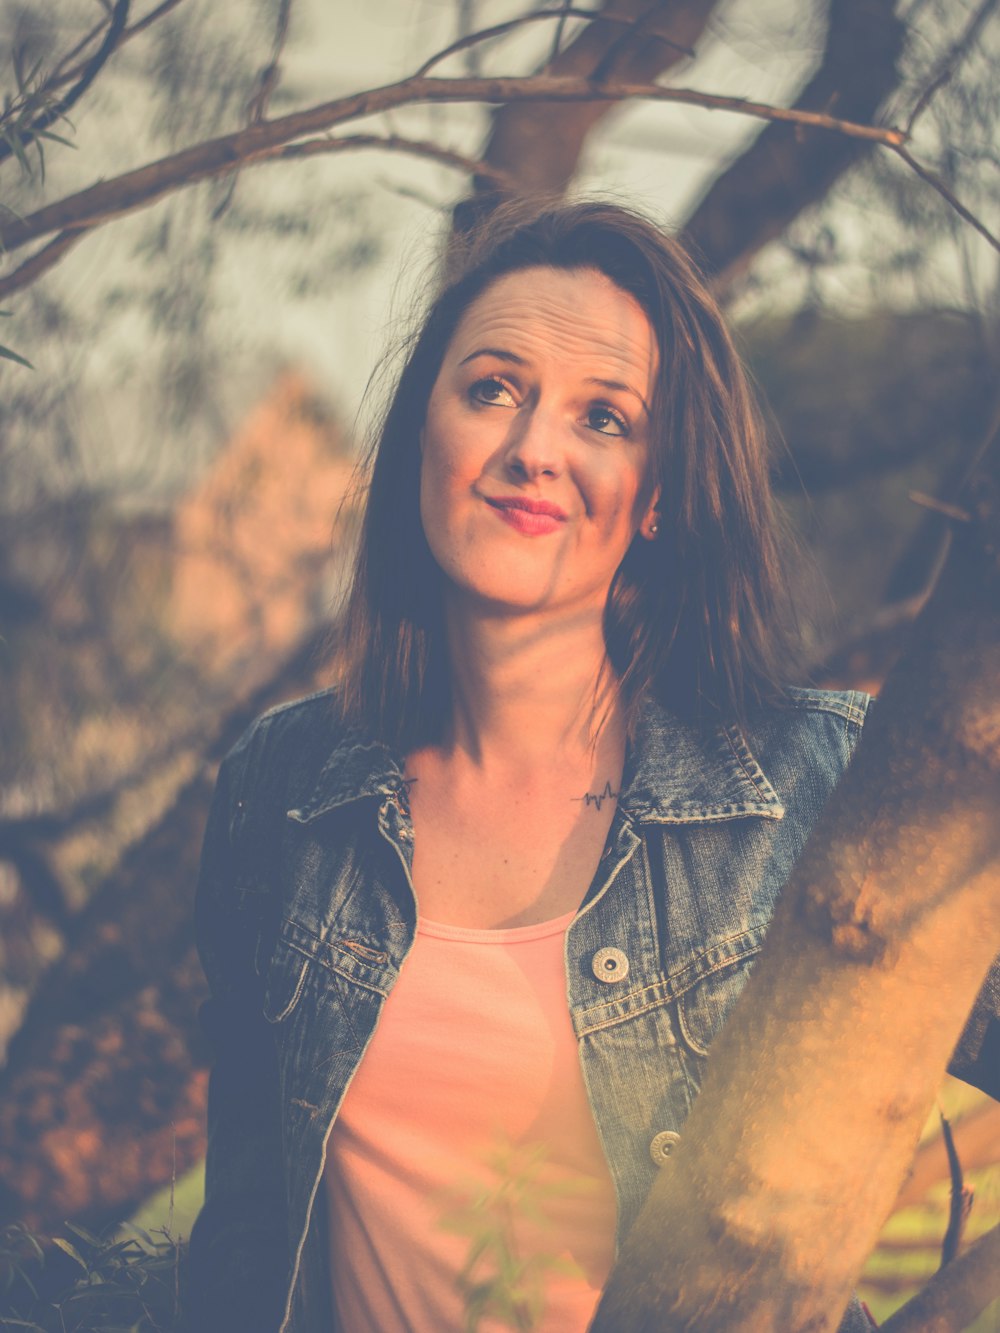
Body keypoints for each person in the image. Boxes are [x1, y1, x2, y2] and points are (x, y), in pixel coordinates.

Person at [186, 200, 997, 1333]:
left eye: (605, 416)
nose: (534, 449)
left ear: (659, 494)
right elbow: (243, 1242)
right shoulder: (281, 789)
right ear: (424, 430)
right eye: (491, 390)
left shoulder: (812, 781)